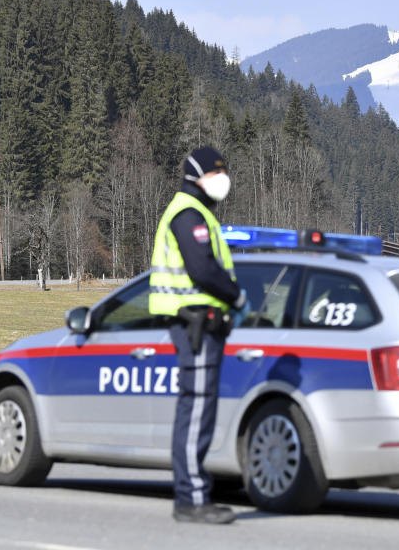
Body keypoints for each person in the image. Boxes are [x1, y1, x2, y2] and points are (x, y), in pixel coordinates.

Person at [149, 147, 250, 525]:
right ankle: (191, 497)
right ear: (197, 176)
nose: (222, 179)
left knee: (197, 406)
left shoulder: (199, 212)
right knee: (196, 408)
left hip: (202, 323)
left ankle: (192, 492)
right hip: (195, 324)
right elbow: (202, 269)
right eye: (216, 173)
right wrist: (237, 295)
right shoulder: (188, 213)